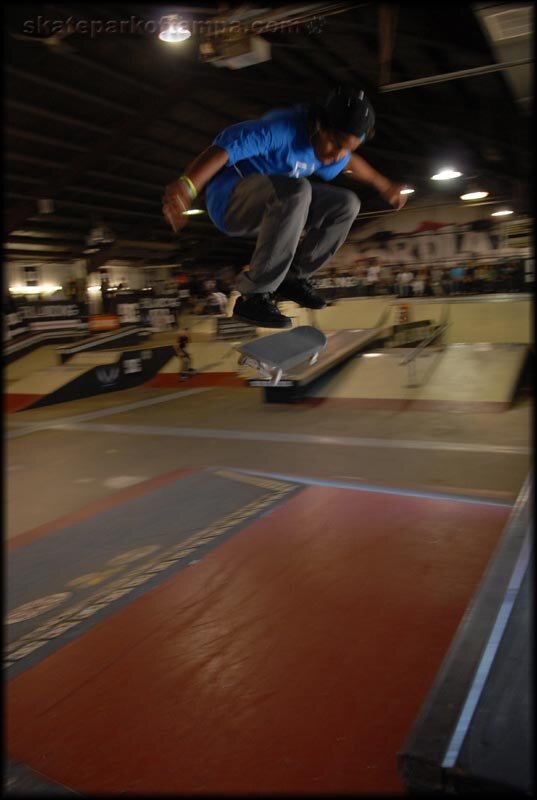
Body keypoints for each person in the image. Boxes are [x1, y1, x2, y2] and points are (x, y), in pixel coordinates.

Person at [163, 86, 408, 329]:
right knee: (298, 190)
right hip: (231, 202)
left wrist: (385, 185)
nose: (338, 155)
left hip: (277, 209)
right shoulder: (281, 129)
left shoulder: (334, 147)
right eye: (336, 144)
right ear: (319, 125)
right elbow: (223, 149)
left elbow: (350, 162)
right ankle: (253, 296)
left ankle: (293, 277)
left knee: (346, 205)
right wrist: (187, 187)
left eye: (347, 149)